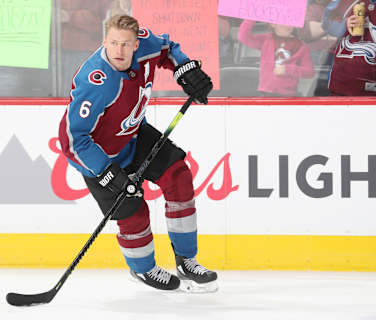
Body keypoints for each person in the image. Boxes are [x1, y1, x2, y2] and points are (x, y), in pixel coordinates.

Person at [58, 14, 216, 292]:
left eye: (125, 44)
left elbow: (168, 49)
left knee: (178, 176)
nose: (119, 51)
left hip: (133, 135)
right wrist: (106, 172)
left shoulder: (146, 44)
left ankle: (186, 259)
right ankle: (144, 270)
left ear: (136, 43)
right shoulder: (95, 83)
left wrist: (185, 69)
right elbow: (73, 139)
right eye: (113, 43)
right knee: (134, 211)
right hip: (100, 156)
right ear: (104, 40)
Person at [238, 19, 315, 96]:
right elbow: (243, 37)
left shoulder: (301, 46)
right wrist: (252, 17)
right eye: (285, 21)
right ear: (273, 24)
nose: (289, 25)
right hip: (266, 94)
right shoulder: (265, 40)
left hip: (288, 96)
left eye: (291, 21)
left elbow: (310, 72)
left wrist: (288, 69)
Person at [326, 0, 376, 96]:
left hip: (371, 90)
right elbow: (326, 25)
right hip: (341, 85)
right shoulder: (346, 2)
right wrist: (344, 24)